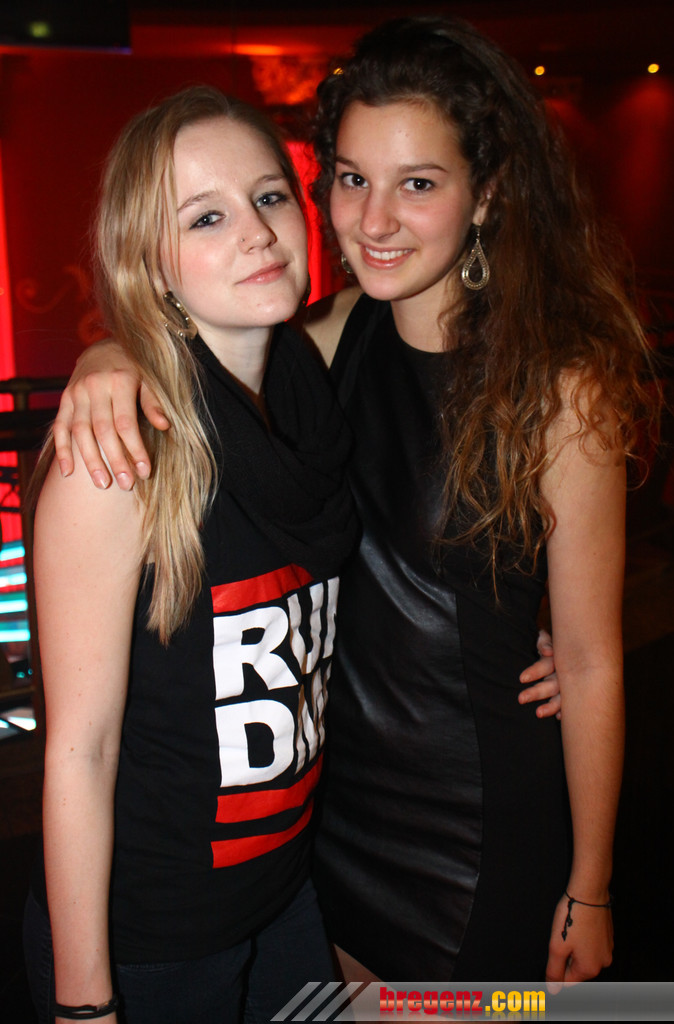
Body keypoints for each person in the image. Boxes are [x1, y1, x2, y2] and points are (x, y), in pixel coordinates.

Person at [50, 16, 653, 985]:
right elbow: (200, 339)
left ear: (487, 193)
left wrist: (591, 885)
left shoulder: (559, 387)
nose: (373, 221)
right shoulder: (328, 339)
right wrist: (106, 354)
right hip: (324, 817)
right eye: (350, 178)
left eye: (417, 184)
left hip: (472, 822)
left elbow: (586, 661)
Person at [24, 86, 358, 1024]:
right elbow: (80, 751)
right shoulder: (119, 459)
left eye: (269, 196)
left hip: (285, 892)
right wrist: (85, 1001)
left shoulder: (309, 382)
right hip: (155, 941)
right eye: (206, 217)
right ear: (152, 266)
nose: (255, 231)